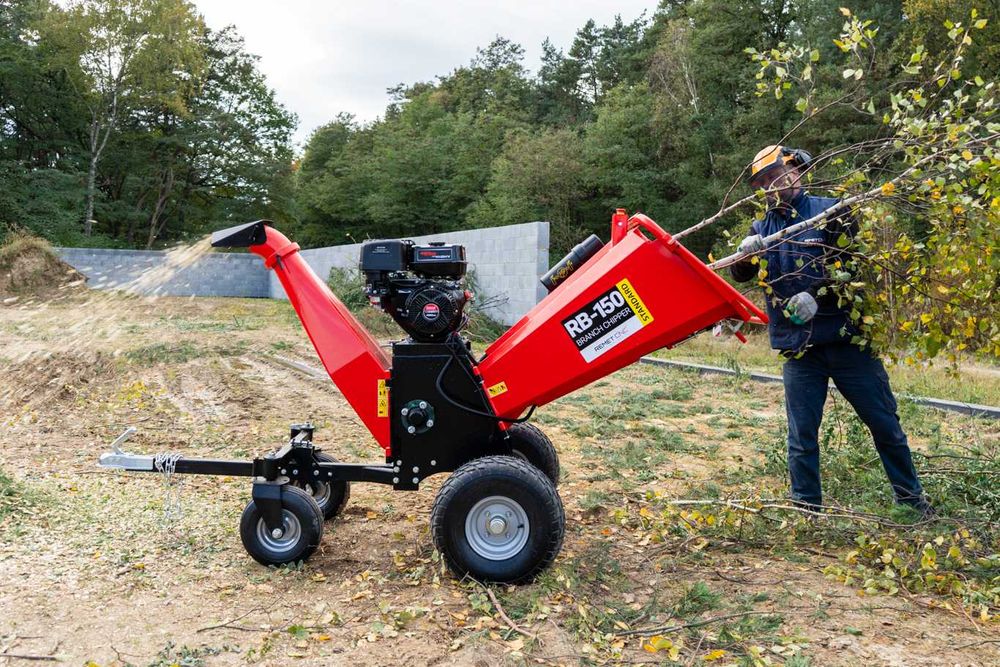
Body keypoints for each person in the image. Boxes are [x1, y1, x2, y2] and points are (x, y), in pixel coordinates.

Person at [730, 144, 933, 518]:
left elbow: (853, 269)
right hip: (800, 350)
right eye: (763, 183)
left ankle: (912, 502)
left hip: (847, 343)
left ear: (797, 172)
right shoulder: (762, 228)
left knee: (885, 425)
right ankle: (807, 511)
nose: (772, 187)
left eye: (776, 176)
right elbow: (742, 275)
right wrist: (745, 255)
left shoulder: (833, 211)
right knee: (801, 438)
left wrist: (817, 295)